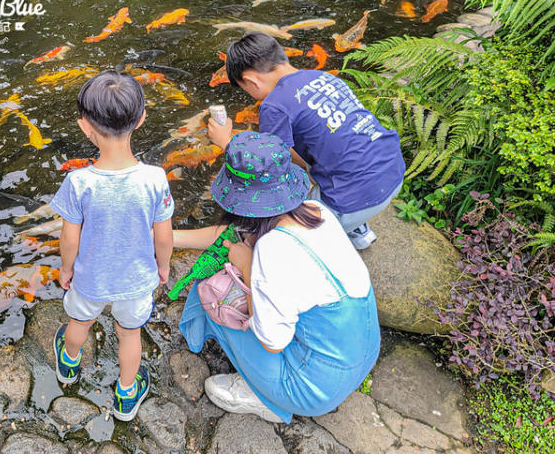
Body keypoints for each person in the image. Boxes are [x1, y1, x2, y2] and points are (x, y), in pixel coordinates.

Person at [174, 131, 380, 423]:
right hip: (360, 355)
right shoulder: (315, 211)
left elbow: (273, 342)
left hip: (315, 389)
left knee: (211, 293)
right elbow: (228, 238)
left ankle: (265, 398)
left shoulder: (271, 251)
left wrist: (247, 267)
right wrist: (165, 237)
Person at [49, 70, 174, 421]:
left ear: (85, 127)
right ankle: (125, 395)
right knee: (129, 335)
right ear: (142, 119)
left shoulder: (78, 182)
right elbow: (163, 236)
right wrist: (162, 267)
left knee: (78, 323)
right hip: (136, 282)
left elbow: (70, 237)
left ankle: (69, 365)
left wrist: (66, 269)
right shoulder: (154, 179)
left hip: (90, 280)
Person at [207, 32, 405, 249]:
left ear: (250, 81)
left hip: (350, 201)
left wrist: (226, 142)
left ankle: (334, 226)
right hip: (393, 173)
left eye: (245, 89)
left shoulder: (274, 106)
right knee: (332, 152)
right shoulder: (324, 77)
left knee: (272, 214)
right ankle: (357, 228)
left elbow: (269, 171)